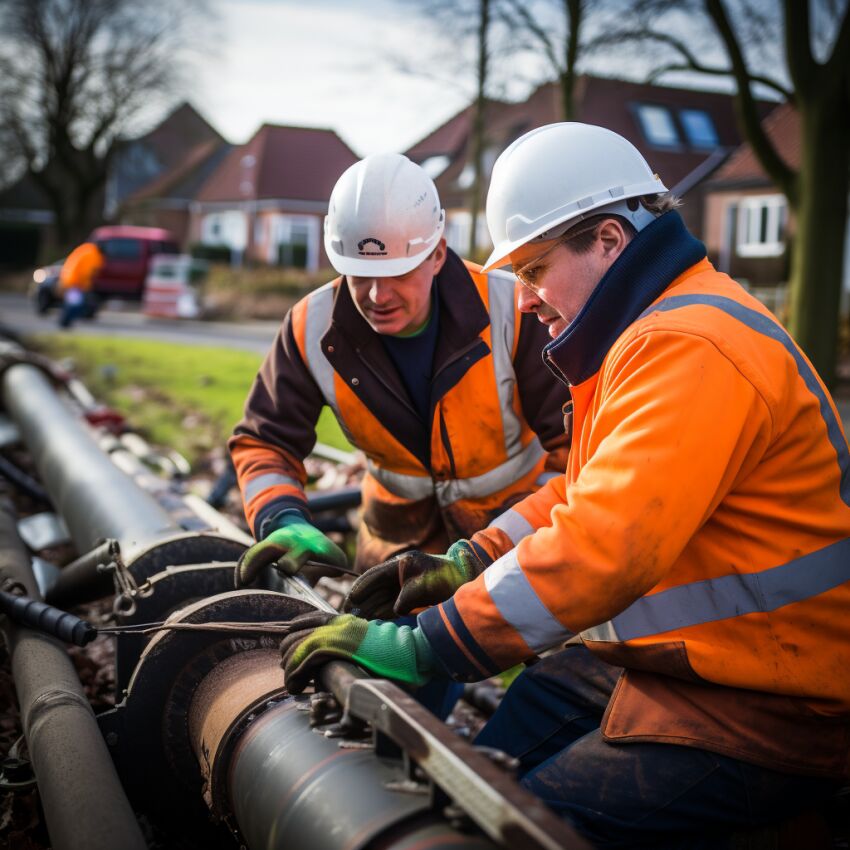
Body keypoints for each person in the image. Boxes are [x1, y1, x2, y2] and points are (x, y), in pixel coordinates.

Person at [278, 124, 850, 848]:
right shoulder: (649, 332)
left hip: (769, 705)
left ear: (609, 241)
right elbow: (583, 495)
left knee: (514, 823)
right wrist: (470, 560)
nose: (522, 300)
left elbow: (603, 545)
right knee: (475, 774)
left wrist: (427, 646)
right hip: (679, 660)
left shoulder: (691, 346)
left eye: (535, 268)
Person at [230, 152, 568, 590]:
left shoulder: (515, 311)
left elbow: (576, 452)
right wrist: (281, 516)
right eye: (359, 274)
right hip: (393, 543)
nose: (377, 295)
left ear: (437, 254)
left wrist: (523, 543)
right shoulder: (309, 326)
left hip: (510, 541)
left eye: (398, 273)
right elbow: (264, 439)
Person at [58, 240, 103, 329]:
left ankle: (65, 323)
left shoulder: (86, 249)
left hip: (69, 278)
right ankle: (64, 322)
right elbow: (87, 272)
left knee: (73, 303)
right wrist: (85, 284)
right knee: (74, 304)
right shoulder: (93, 255)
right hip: (75, 282)